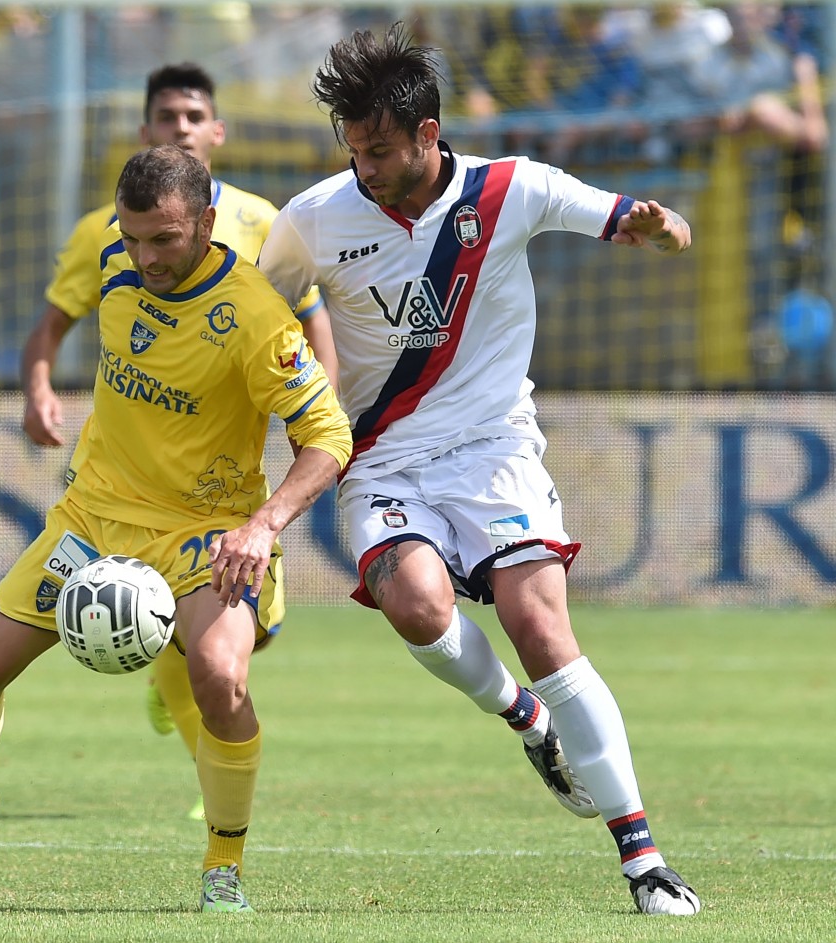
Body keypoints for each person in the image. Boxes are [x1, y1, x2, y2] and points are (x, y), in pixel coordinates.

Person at [257, 23, 701, 917]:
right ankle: (524, 719)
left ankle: (644, 860)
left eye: (378, 150)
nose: (363, 169)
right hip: (380, 455)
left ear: (428, 135)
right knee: (415, 603)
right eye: (351, 150)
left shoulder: (515, 189)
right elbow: (255, 314)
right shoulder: (313, 217)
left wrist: (661, 229)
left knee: (540, 625)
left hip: (495, 447)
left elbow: (643, 223)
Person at [0, 144, 352, 914]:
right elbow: (57, 320)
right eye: (132, 238)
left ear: (204, 220)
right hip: (94, 518)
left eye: (163, 238)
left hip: (207, 529)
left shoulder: (256, 314)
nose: (144, 256)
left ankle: (222, 867)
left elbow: (330, 436)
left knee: (221, 678)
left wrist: (263, 525)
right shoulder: (110, 255)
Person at [21, 62, 336, 821]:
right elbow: (58, 321)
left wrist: (326, 409)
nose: (182, 128)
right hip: (122, 481)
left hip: (217, 484)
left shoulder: (265, 223)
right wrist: (38, 383)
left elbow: (308, 320)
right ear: (146, 133)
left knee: (226, 653)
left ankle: (171, 676)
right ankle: (185, 715)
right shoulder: (104, 236)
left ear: (217, 131)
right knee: (195, 648)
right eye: (168, 117)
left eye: (194, 116)